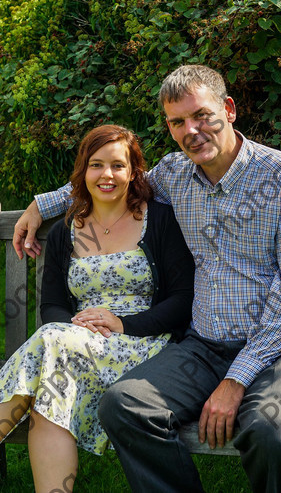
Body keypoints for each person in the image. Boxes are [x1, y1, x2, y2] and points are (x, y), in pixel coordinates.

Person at [13, 65, 281, 493]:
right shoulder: (176, 175)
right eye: (177, 122)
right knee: (125, 405)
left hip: (279, 346)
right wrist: (40, 205)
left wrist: (237, 379)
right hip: (204, 345)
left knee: (272, 433)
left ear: (230, 109)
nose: (192, 131)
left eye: (201, 115)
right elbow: (112, 180)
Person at [2, 124, 194, 493]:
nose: (106, 175)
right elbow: (54, 305)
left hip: (143, 346)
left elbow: (182, 301)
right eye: (96, 165)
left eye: (118, 166)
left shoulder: (159, 221)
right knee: (51, 391)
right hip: (74, 347)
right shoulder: (66, 231)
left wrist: (121, 324)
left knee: (52, 347)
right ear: (83, 171)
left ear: (134, 172)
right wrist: (77, 331)